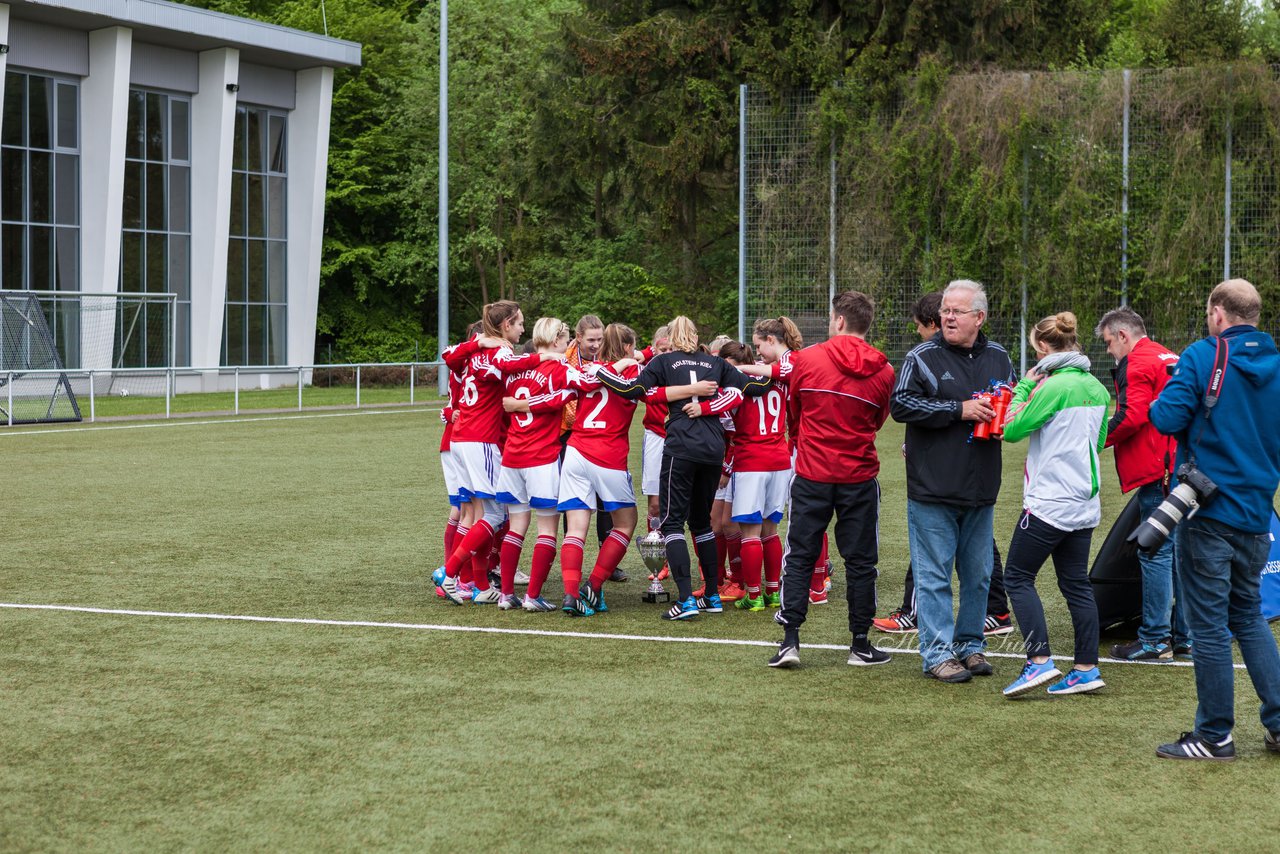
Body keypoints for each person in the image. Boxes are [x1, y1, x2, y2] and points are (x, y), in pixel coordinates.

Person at [1149, 278, 1280, 761]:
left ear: (1218, 313)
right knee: (1248, 616)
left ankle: (1214, 734)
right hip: (1256, 513)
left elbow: (1164, 418)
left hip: (1206, 512)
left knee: (1207, 628)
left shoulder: (1205, 355)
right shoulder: (1277, 364)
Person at [594, 316, 770, 620]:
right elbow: (756, 387)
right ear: (696, 335)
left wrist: (599, 373)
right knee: (701, 522)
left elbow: (633, 391)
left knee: (672, 523)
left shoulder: (664, 362)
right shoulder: (714, 362)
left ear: (672, 338)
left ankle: (686, 600)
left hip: (682, 446)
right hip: (714, 447)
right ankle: (712, 595)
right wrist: (768, 372)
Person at [890, 279, 1015, 683]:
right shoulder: (921, 356)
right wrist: (956, 409)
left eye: (956, 311)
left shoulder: (998, 356)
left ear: (979, 317)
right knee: (934, 576)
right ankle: (937, 654)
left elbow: (1013, 396)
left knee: (979, 576)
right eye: (945, 310)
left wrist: (1008, 415)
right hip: (933, 488)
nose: (947, 316)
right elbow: (901, 404)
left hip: (981, 488)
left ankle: (970, 645)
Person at [767, 292, 895, 668]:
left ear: (839, 321)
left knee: (801, 553)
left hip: (812, 472)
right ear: (865, 324)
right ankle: (860, 643)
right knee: (860, 561)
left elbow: (795, 411)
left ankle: (790, 640)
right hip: (858, 474)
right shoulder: (885, 371)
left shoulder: (805, 361)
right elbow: (876, 422)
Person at [999, 312, 1110, 698]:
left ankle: (1038, 661)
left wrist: (1023, 388)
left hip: (1050, 502)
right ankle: (1085, 669)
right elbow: (1098, 443)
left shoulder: (1050, 387)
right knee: (1076, 584)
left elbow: (1010, 430)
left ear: (1043, 349)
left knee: (1016, 576)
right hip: (1085, 503)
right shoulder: (1097, 387)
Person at [434, 301, 564, 605]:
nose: (522, 328)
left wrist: (479, 342)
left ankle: (477, 584)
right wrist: (541, 357)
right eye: (519, 323)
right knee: (492, 514)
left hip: (462, 439)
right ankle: (451, 573)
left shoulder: (477, 350)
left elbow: (449, 354)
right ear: (506, 324)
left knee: (479, 513)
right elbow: (508, 365)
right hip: (480, 440)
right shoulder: (499, 351)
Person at [1094, 306, 1190, 661]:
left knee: (1156, 551)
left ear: (1123, 335)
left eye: (1108, 343)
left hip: (1159, 469)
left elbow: (1133, 415)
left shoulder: (1136, 362)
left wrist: (1091, 440)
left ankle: (1154, 639)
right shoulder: (1170, 354)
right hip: (1181, 465)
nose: (1109, 352)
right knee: (1180, 551)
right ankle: (1185, 636)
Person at [683, 342, 790, 612]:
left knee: (750, 533)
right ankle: (773, 592)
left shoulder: (738, 384)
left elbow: (726, 404)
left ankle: (753, 594)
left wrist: (702, 409)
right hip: (780, 458)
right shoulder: (778, 379)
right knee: (771, 531)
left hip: (752, 461)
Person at [494, 317, 573, 612]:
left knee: (515, 527)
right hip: (541, 456)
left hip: (512, 455)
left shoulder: (518, 368)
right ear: (555, 341)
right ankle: (533, 595)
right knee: (547, 529)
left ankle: (505, 594)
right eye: (565, 341)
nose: (567, 347)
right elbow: (570, 394)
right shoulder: (558, 366)